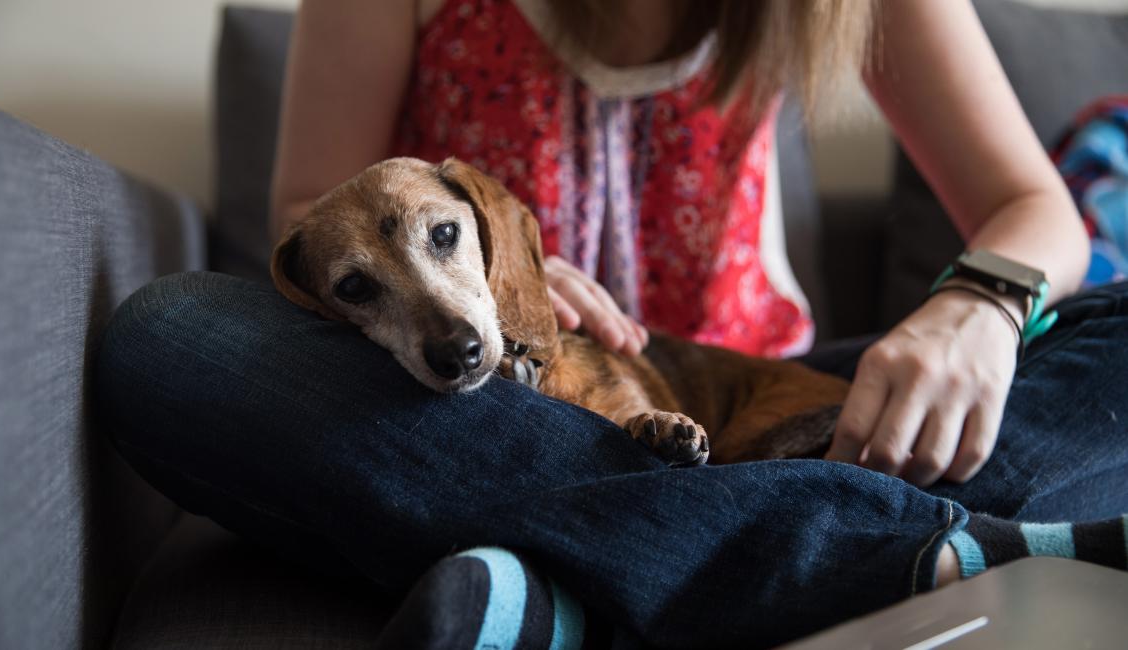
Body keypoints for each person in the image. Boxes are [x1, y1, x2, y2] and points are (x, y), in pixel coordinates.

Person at [96, 0, 1128, 647]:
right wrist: (510, 264)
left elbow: (1035, 210)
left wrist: (980, 301)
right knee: (169, 336)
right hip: (491, 401)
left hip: (747, 392)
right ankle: (915, 550)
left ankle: (577, 588)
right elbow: (307, 217)